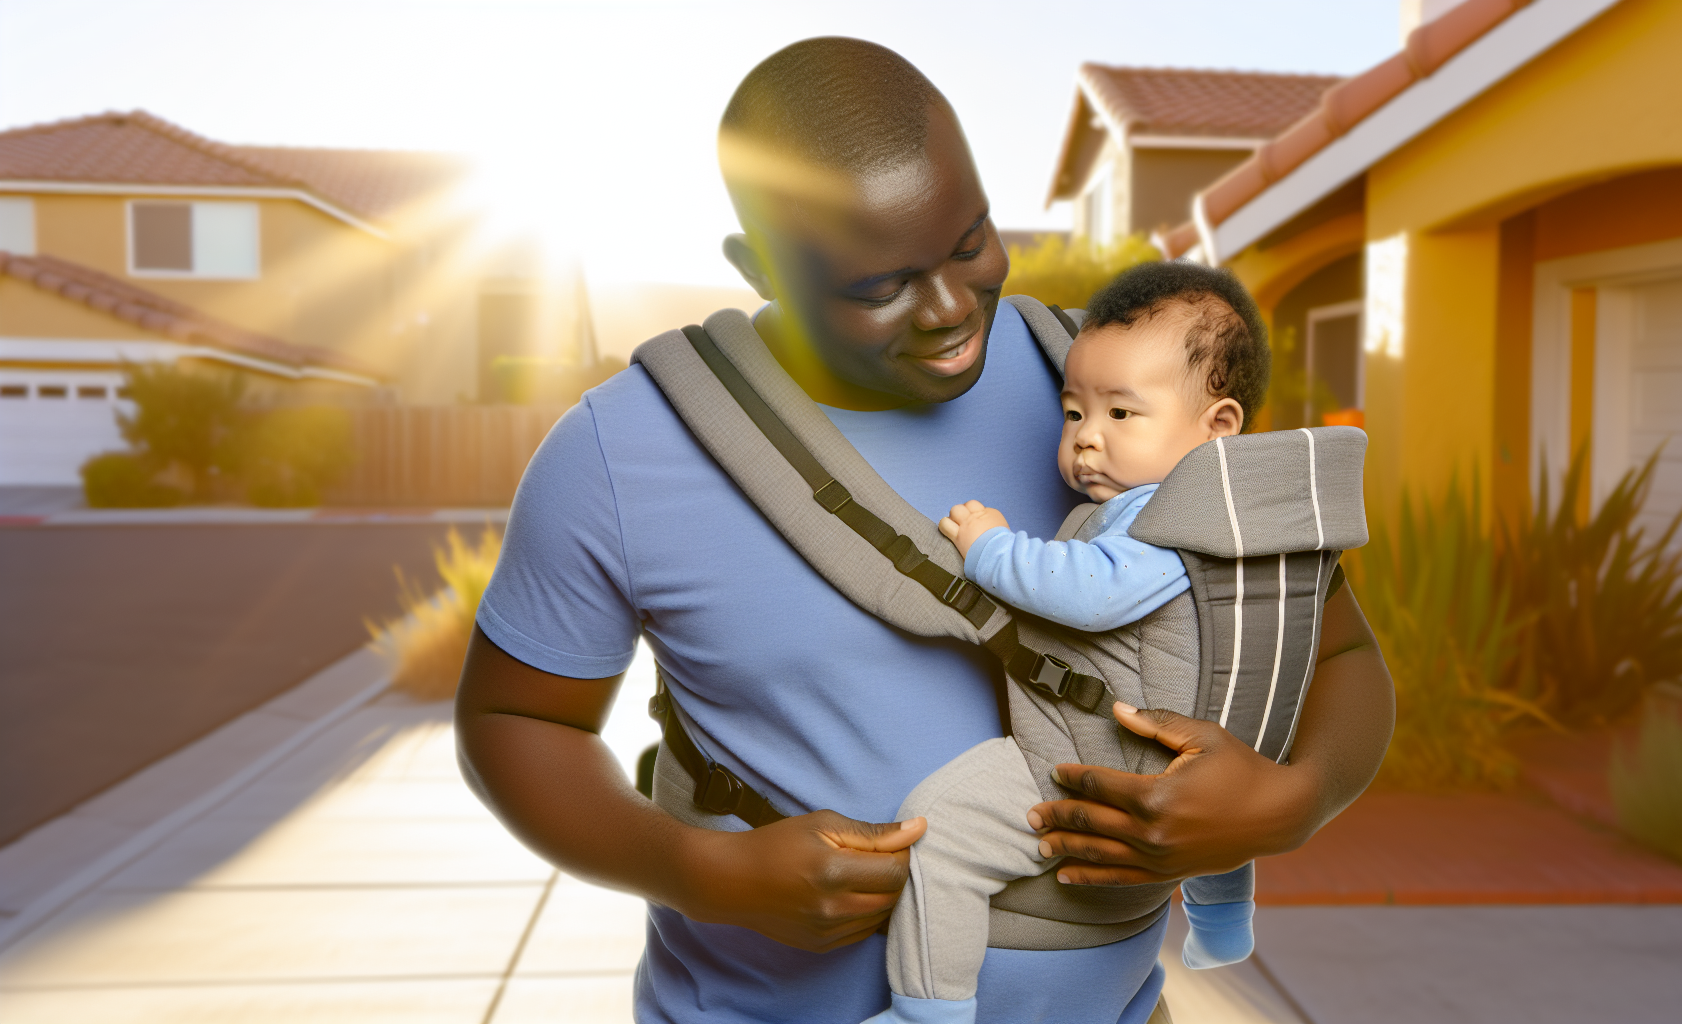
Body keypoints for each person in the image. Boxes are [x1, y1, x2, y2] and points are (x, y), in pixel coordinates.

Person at [455, 36, 1394, 1024]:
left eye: (969, 242)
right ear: (758, 268)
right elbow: (515, 723)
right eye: (880, 288)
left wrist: (1289, 802)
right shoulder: (621, 451)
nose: (950, 309)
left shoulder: (1120, 384)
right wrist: (703, 871)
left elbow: (1332, 648)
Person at [866, 262, 1353, 1024]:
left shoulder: (1162, 519)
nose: (1086, 438)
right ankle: (1224, 925)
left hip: (1091, 760)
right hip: (1198, 745)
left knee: (942, 833)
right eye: (1073, 412)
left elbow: (1092, 593)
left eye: (1121, 413)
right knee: (1218, 796)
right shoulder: (1244, 522)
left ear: (1218, 427)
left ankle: (929, 1011)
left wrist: (990, 547)